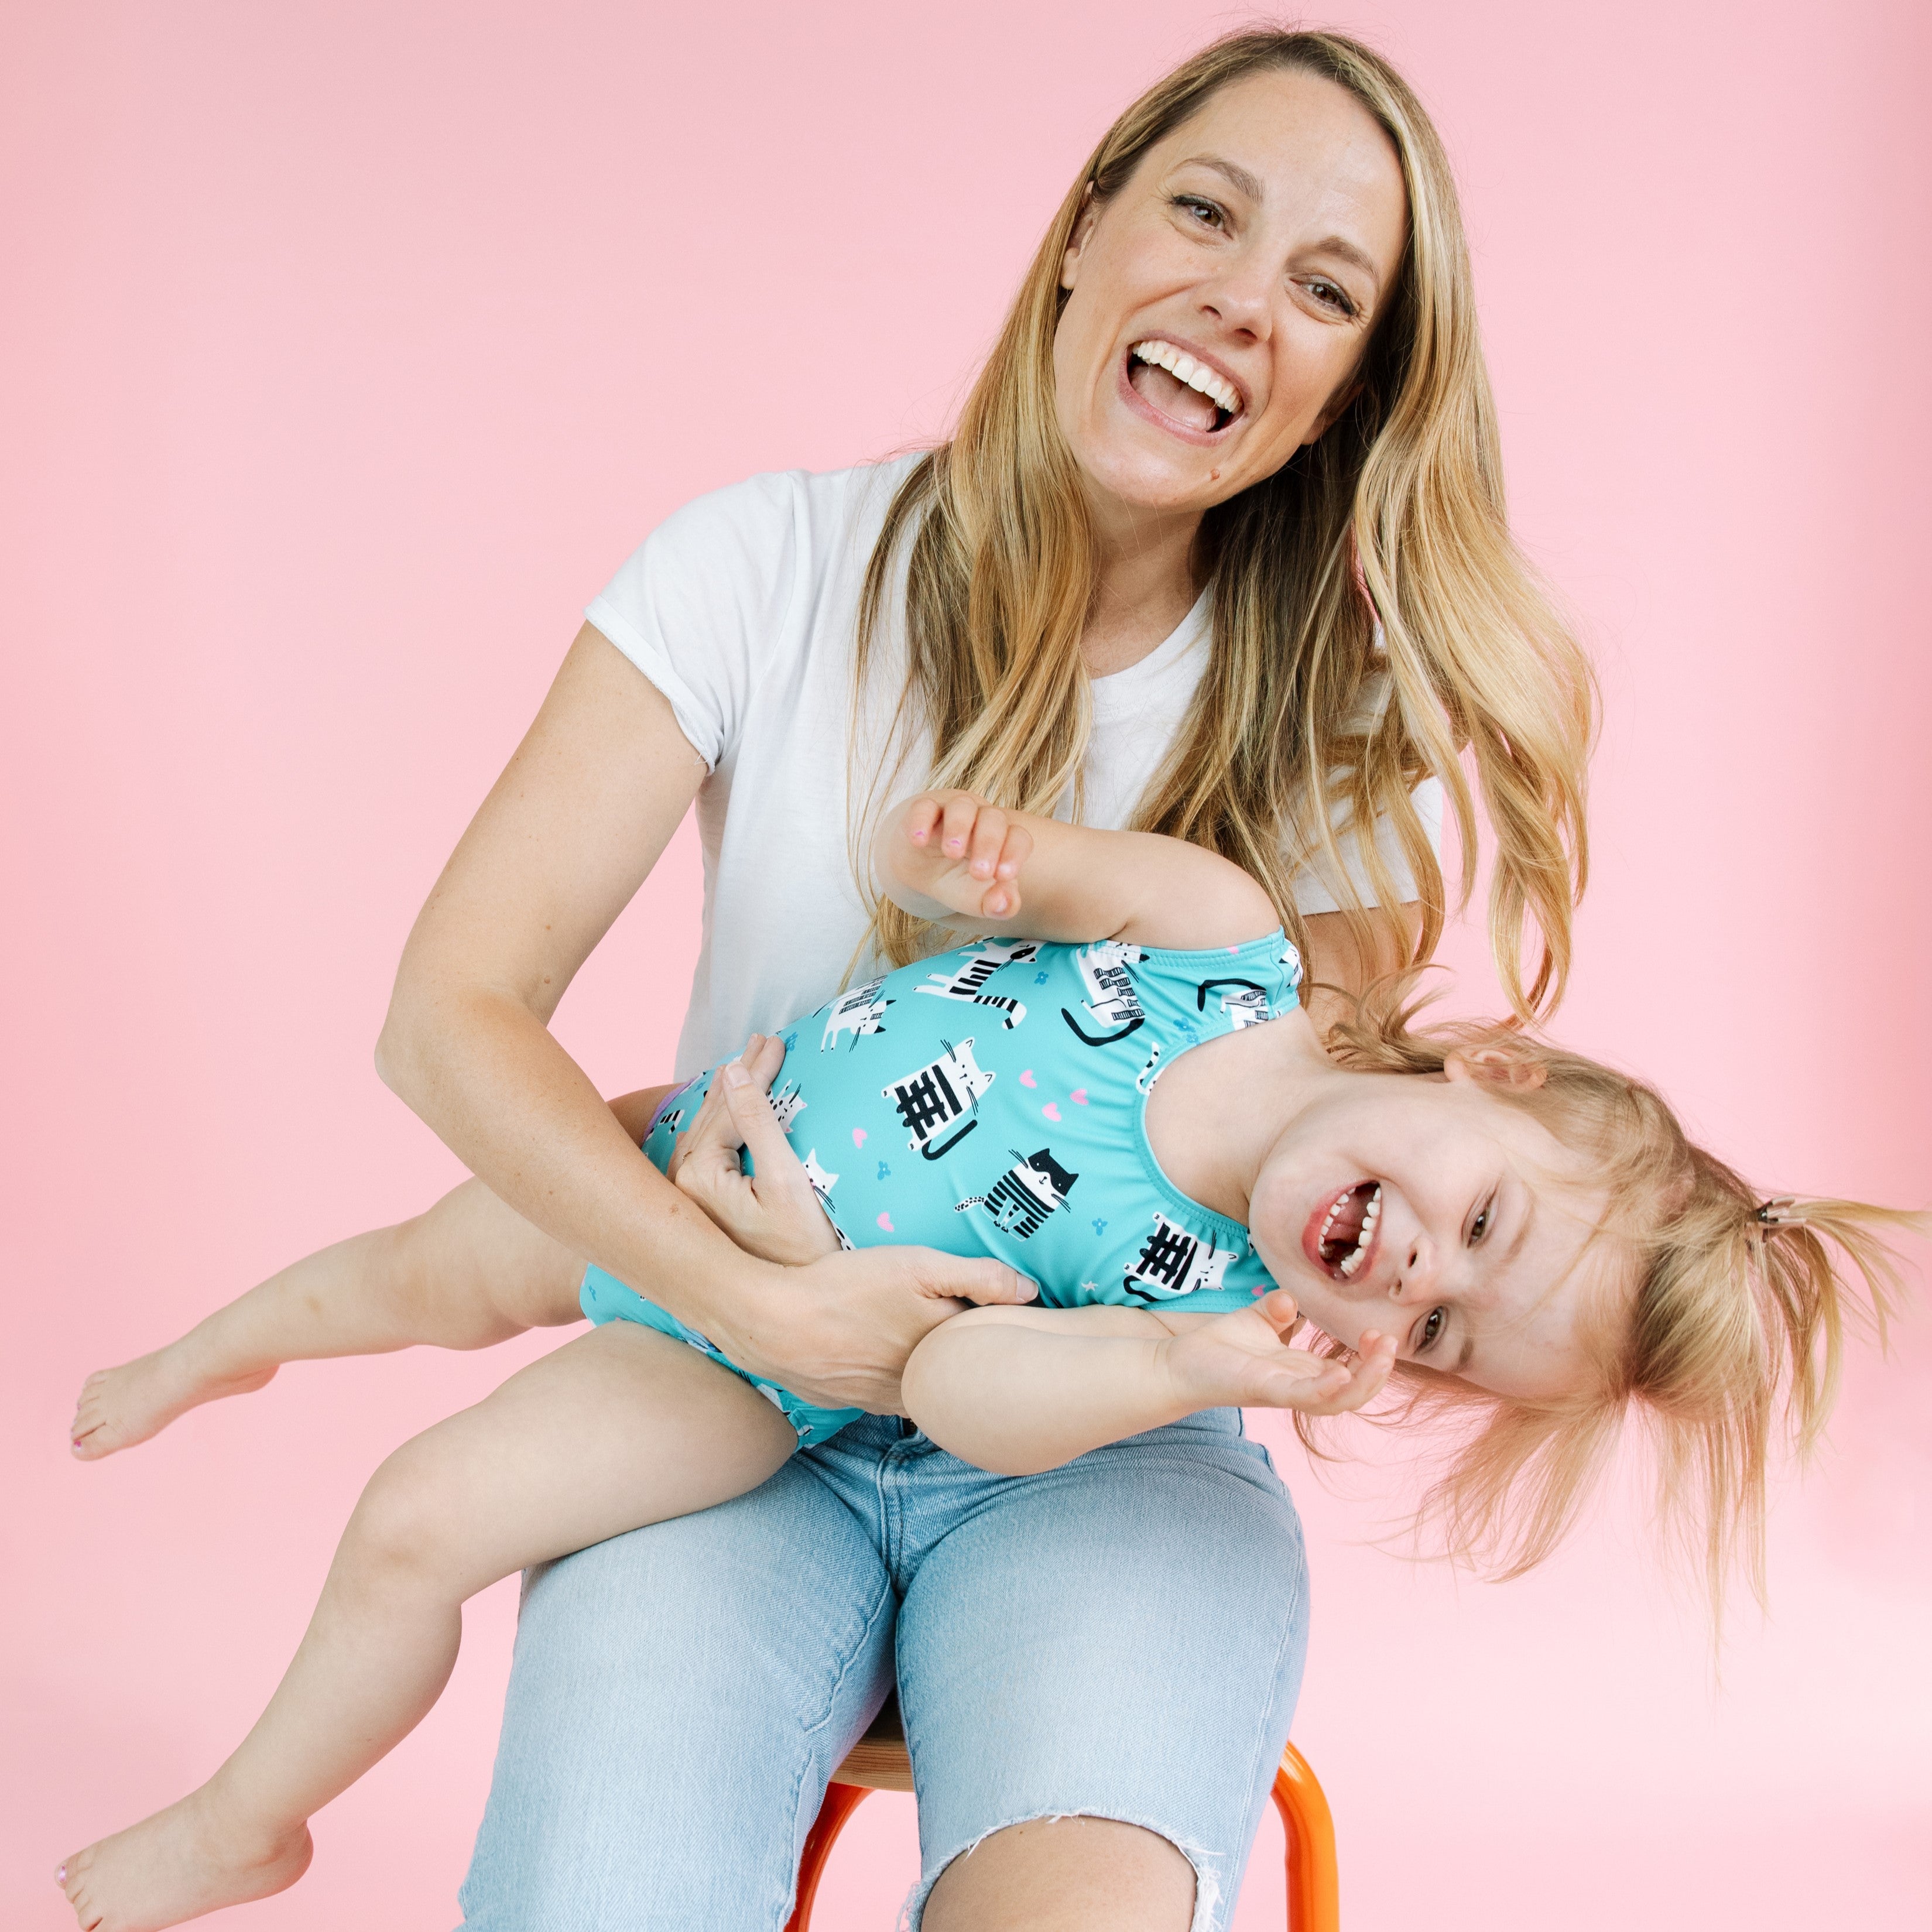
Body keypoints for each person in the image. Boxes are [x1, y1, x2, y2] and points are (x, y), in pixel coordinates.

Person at [84, 28, 1608, 1932]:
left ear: (1338, 403)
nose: (1239, 301)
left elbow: (1324, 1209)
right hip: (711, 1374)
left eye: (1322, 291)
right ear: (1082, 232)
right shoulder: (764, 564)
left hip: (1102, 1443)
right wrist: (757, 1300)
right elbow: (447, 1013)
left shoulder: (1334, 727)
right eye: (1203, 213)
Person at [59, 792, 1910, 1932]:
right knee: (420, 1269)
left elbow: (954, 1397)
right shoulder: (1222, 947)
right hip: (683, 1154)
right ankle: (205, 1349)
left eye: (1434, 1339)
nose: (1410, 1280)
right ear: (1484, 1075)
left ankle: (250, 1816)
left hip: (744, 1378)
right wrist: (978, 851)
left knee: (420, 1511)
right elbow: (1001, 873)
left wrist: (1191, 1360)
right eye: (1478, 1227)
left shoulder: (1191, 1285)